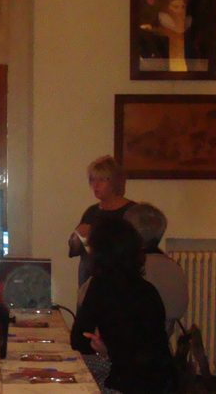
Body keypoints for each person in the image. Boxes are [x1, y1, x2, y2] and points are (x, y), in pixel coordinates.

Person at [70, 216, 176, 394]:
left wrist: (103, 349)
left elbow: (78, 341)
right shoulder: (148, 289)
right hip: (162, 381)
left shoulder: (100, 285)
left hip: (128, 384)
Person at [68, 156, 136, 287]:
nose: (95, 185)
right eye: (93, 180)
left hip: (121, 282)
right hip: (90, 281)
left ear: (115, 182)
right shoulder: (92, 212)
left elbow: (132, 251)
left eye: (102, 179)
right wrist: (77, 238)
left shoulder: (131, 212)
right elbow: (75, 249)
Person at [124, 203, 189, 337]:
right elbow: (178, 310)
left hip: (125, 345)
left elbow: (86, 300)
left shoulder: (125, 268)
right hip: (162, 343)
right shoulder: (174, 268)